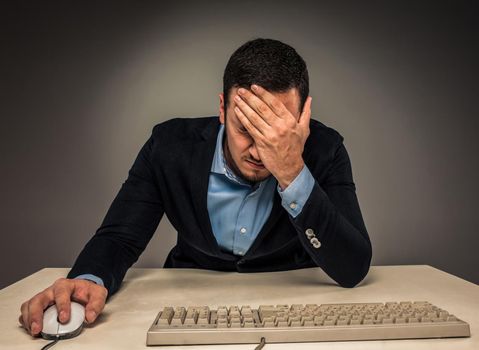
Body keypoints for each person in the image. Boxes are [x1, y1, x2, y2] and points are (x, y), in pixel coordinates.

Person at [19, 38, 372, 336]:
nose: (260, 150)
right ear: (222, 109)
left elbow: (352, 267)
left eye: (276, 132)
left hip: (290, 313)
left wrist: (293, 172)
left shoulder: (325, 150)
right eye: (246, 127)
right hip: (185, 312)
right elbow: (119, 238)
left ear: (301, 120)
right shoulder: (169, 146)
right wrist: (87, 280)